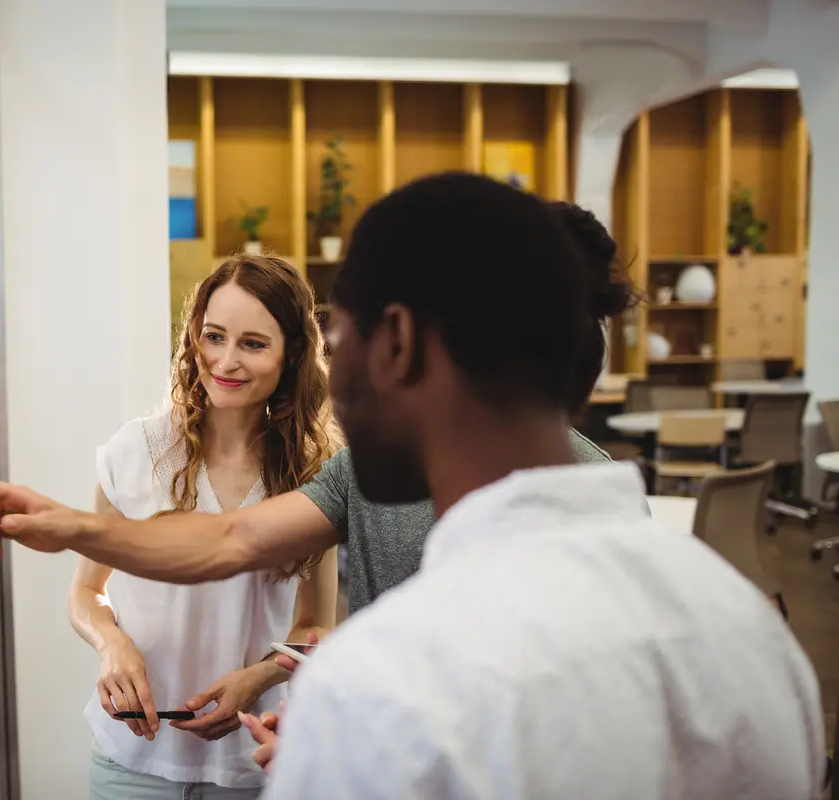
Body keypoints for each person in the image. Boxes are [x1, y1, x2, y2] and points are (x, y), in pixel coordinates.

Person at [241, 174, 820, 797]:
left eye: (339, 343)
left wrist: (337, 763)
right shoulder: (757, 635)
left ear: (399, 344)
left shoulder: (381, 686)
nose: (332, 386)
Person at [0, 199, 629, 624]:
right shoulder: (368, 471)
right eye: (213, 337)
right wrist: (72, 526)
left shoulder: (596, 504)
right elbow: (228, 541)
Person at [65, 254, 338, 798]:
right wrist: (111, 642)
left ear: (292, 357)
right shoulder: (135, 452)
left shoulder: (314, 473)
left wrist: (261, 675)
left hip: (249, 764)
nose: (226, 361)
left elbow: (317, 625)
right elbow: (86, 590)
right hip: (131, 763)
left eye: (253, 344)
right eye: (214, 336)